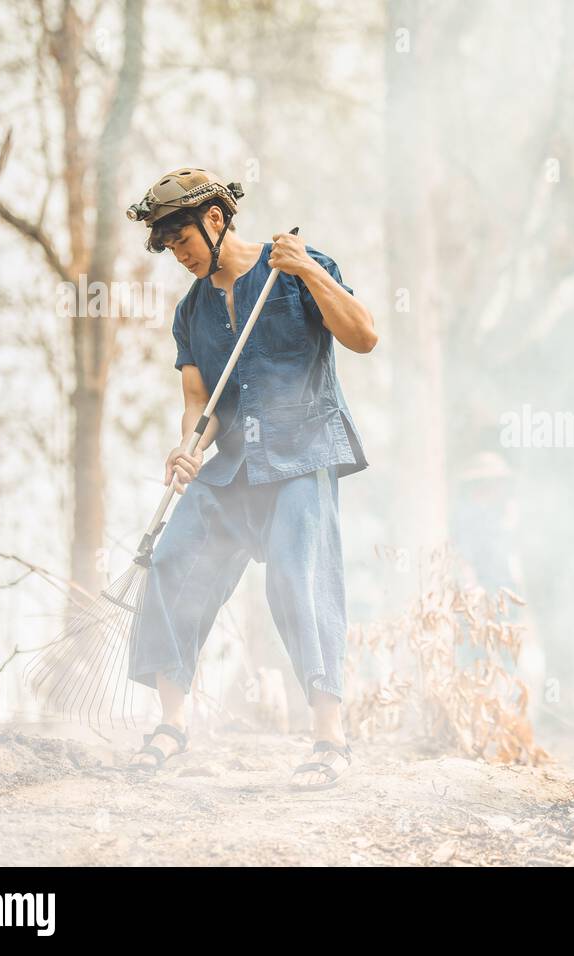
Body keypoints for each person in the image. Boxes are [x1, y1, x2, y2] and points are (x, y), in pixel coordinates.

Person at [122, 167, 377, 790]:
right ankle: (173, 724)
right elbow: (200, 400)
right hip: (233, 464)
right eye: (166, 246)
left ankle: (328, 736)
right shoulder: (192, 312)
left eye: (181, 238)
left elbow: (364, 336)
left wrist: (311, 273)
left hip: (302, 451)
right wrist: (188, 448)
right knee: (172, 559)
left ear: (215, 219)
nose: (177, 254)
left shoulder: (297, 266)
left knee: (296, 576)